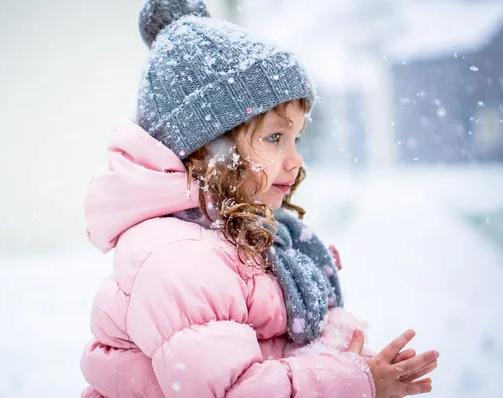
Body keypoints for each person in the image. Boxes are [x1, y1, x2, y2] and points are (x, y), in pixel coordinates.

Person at [79, 1, 439, 397]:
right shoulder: (180, 260)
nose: (296, 158)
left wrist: (356, 361)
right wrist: (355, 382)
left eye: (296, 138)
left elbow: (278, 354)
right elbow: (232, 391)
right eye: (274, 138)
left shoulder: (248, 236)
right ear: (209, 150)